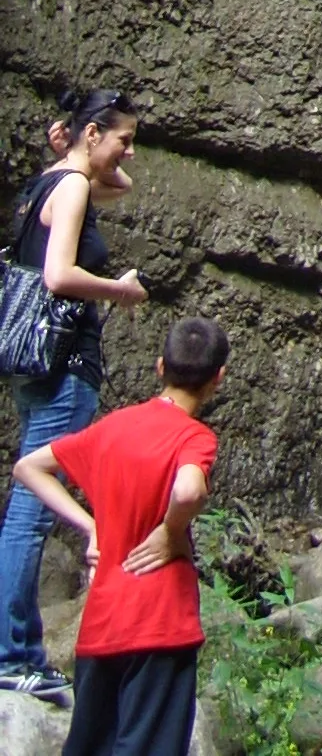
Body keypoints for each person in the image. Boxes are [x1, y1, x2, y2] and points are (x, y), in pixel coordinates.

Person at [12, 315, 227, 756]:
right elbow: (188, 489)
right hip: (162, 625)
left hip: (102, 624)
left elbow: (28, 468)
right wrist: (170, 531)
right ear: (217, 379)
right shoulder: (195, 437)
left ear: (159, 367)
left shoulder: (112, 427)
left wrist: (91, 525)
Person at [0, 93, 148, 705]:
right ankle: (10, 657)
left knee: (23, 507)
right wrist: (118, 290)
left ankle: (23, 652)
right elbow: (60, 275)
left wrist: (86, 151)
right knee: (30, 514)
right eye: (123, 138)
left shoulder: (47, 184)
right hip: (63, 365)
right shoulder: (75, 190)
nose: (130, 152)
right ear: (91, 133)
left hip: (28, 360)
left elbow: (124, 184)